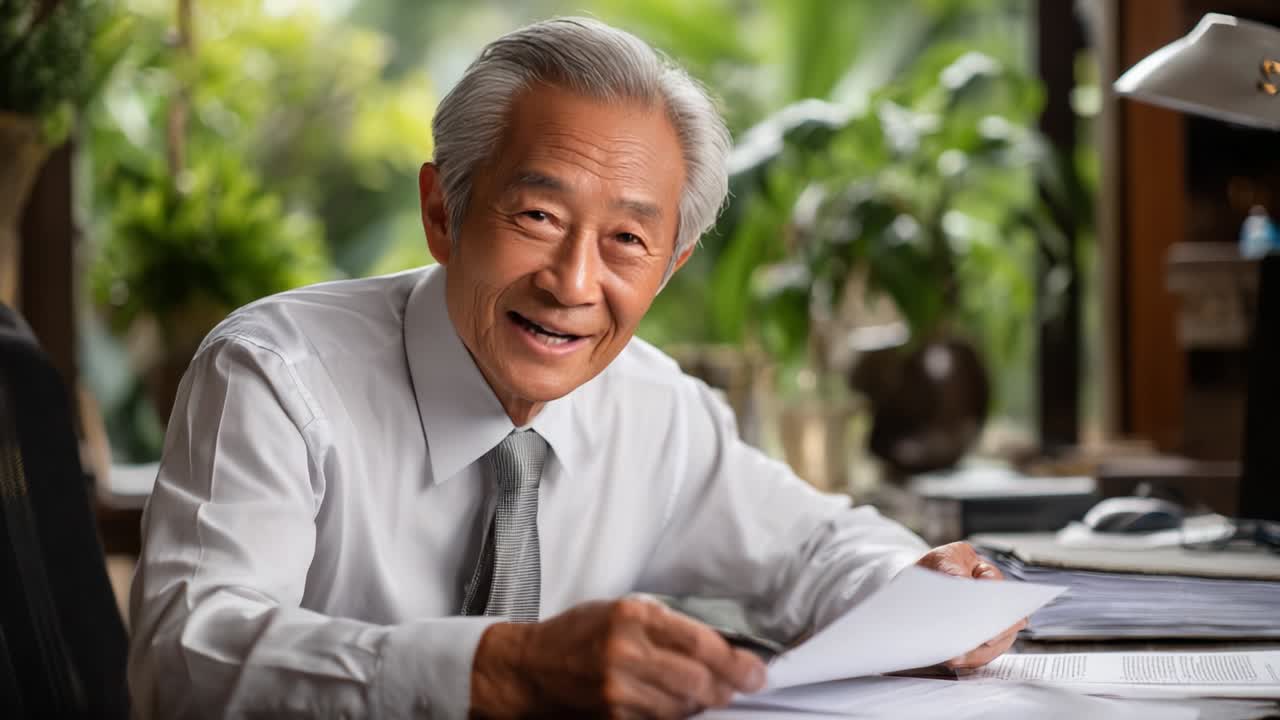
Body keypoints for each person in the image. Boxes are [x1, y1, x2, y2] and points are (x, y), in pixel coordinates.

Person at [128, 17, 1023, 719]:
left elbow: (820, 550)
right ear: (443, 213)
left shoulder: (657, 411)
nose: (573, 284)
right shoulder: (277, 375)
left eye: (629, 240)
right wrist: (501, 671)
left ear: (671, 266)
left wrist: (920, 595)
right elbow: (185, 661)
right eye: (538, 218)